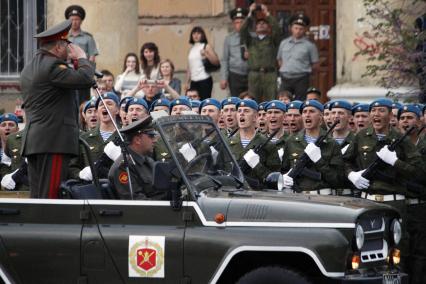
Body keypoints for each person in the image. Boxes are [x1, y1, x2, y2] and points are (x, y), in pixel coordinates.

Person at [343, 98, 423, 271]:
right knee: (364, 248)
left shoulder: (401, 140)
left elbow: (419, 170)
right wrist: (352, 175)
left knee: (396, 250)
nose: (376, 114)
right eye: (374, 110)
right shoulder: (362, 136)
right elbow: (345, 162)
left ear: (390, 115)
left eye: (381, 111)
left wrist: (395, 162)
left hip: (393, 203)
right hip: (367, 202)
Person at [20, 20, 95, 198]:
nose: (70, 50)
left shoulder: (32, 66)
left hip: (38, 140)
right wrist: (83, 57)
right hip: (52, 141)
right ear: (59, 46)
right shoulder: (52, 66)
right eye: (67, 45)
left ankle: (38, 225)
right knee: (50, 197)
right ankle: (46, 226)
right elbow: (85, 78)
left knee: (39, 196)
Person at [281, 100, 344, 194]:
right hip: (298, 197)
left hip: (323, 198)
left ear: (321, 117)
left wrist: (319, 161)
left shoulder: (331, 144)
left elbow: (337, 180)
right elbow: (284, 169)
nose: (307, 115)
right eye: (304, 112)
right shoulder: (291, 141)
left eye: (311, 111)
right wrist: (284, 178)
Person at [109, 116, 167, 200]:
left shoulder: (148, 160)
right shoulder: (123, 167)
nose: (155, 140)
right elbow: (136, 202)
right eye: (151, 136)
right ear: (137, 140)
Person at [227, 99, 280, 189]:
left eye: (246, 111)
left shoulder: (267, 144)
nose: (242, 114)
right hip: (231, 194)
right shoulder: (227, 143)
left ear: (255, 117)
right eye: (239, 111)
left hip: (257, 196)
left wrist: (257, 166)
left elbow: (274, 178)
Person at [69, 92, 120, 181]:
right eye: (101, 104)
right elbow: (72, 167)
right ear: (97, 111)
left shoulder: (124, 137)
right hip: (92, 189)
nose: (105, 106)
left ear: (117, 110)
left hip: (119, 189)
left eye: (109, 103)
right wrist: (80, 175)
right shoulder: (84, 138)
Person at [240, 3, 281, 102]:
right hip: (254, 74)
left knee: (271, 101)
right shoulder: (250, 41)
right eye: (259, 23)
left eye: (264, 23)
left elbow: (277, 29)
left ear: (268, 27)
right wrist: (249, 14)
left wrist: (267, 14)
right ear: (255, 28)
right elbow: (242, 31)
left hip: (270, 74)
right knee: (253, 101)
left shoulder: (272, 40)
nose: (261, 24)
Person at [277, 14, 319, 101]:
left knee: (300, 102)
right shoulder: (284, 43)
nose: (298, 31)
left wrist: (304, 70)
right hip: (285, 78)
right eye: (296, 28)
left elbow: (315, 64)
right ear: (291, 28)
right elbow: (279, 59)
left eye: (301, 29)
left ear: (304, 30)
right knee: (283, 100)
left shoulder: (310, 45)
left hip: (301, 78)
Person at [220, 8, 249, 97]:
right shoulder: (229, 39)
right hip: (235, 75)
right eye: (237, 22)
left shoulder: (252, 37)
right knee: (235, 100)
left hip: (250, 74)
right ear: (233, 24)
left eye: (242, 22)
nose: (239, 24)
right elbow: (225, 59)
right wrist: (223, 78)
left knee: (251, 100)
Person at [186, 26, 219, 100]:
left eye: (198, 33)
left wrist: (206, 54)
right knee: (193, 103)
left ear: (202, 35)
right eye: (194, 33)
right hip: (193, 80)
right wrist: (187, 82)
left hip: (204, 79)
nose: (196, 35)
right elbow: (189, 67)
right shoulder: (191, 49)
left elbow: (216, 62)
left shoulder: (206, 46)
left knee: (204, 102)